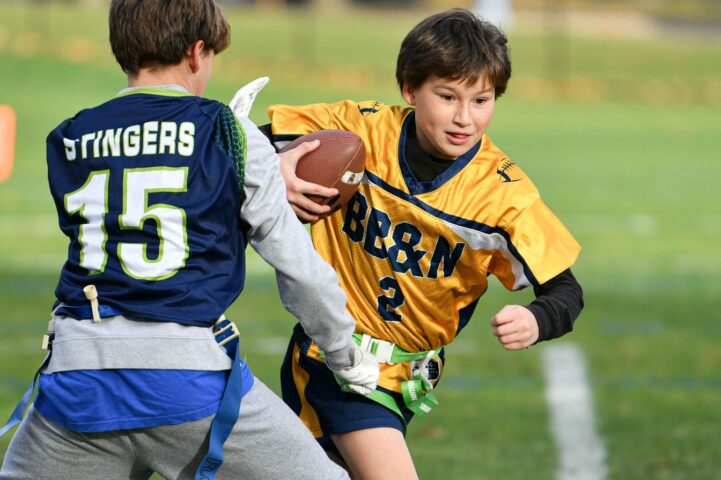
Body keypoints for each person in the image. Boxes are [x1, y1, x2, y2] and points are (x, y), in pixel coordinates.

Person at [0, 1, 378, 479]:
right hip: (184, 379)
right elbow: (299, 269)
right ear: (198, 51)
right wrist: (344, 355)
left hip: (77, 377)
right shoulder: (226, 130)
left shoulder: (69, 136)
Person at [256, 8, 584, 479]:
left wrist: (537, 318)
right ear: (410, 89)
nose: (464, 118)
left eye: (481, 100)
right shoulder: (358, 132)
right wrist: (277, 165)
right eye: (447, 96)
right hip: (338, 358)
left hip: (407, 378)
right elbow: (244, 144)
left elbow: (567, 292)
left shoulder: (502, 195)